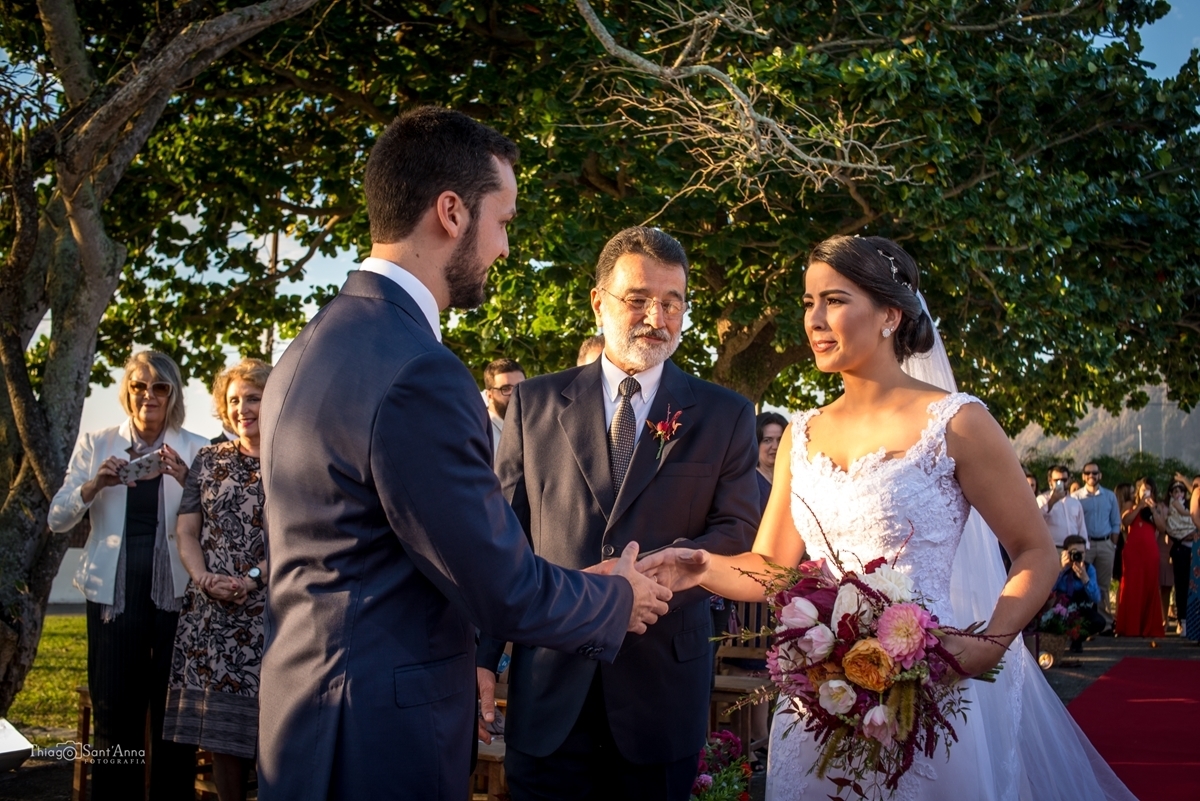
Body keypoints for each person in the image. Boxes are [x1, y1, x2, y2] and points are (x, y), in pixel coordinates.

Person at [256, 106, 671, 801]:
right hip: (378, 739)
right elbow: (498, 587)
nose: (504, 247)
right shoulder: (421, 370)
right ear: (451, 212)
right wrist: (615, 596)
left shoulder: (313, 344)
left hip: (303, 718)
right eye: (502, 221)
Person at [640, 235, 1135, 799]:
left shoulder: (957, 423)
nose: (815, 319)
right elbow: (773, 566)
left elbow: (1035, 549)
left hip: (927, 685)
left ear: (890, 316)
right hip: (821, 694)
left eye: (834, 300)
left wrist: (991, 642)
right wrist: (702, 566)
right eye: (808, 302)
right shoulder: (801, 434)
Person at [476, 226, 761, 801]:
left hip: (661, 691)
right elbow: (501, 537)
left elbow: (737, 530)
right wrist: (481, 659)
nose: (657, 317)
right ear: (598, 302)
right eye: (638, 299)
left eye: (673, 302)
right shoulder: (535, 403)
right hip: (550, 682)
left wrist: (662, 576)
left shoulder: (725, 415)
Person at [48, 350, 209, 800]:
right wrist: (94, 484)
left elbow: (216, 525)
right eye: (139, 386)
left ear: (173, 394)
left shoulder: (197, 448)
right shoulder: (97, 443)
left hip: (177, 594)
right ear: (127, 391)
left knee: (173, 716)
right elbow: (57, 519)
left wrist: (189, 481)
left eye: (160, 387)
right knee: (115, 713)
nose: (148, 395)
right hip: (112, 596)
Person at [164, 359, 271, 801]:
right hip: (211, 616)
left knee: (275, 731)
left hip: (272, 614)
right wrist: (204, 577)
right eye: (234, 400)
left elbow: (298, 539)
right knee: (222, 737)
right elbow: (186, 531)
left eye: (253, 398)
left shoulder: (293, 460)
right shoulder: (207, 460)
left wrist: (251, 580)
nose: (242, 408)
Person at [1115, 477, 1167, 637]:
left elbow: (1162, 527)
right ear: (1138, 491)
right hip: (1133, 552)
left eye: (1149, 490)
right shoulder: (1130, 506)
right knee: (1132, 586)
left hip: (1150, 551)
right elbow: (1125, 521)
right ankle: (1130, 627)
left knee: (1150, 585)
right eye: (1143, 490)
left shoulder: (1157, 507)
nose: (1146, 493)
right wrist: (1139, 507)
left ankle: (1148, 626)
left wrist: (1153, 510)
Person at [1072, 462, 1121, 630]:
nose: (1091, 476)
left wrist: (1113, 543)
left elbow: (1116, 522)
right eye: (1088, 473)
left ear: (1100, 475)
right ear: (1083, 476)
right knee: (1082, 583)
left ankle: (1105, 623)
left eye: (1094, 473)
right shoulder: (1076, 497)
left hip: (1106, 544)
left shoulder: (1110, 496)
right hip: (1085, 545)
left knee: (1103, 585)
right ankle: (1084, 624)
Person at [1053, 535, 1107, 651]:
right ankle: (1057, 642)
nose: (1077, 556)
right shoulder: (1057, 567)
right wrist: (1061, 570)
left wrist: (1085, 578)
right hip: (1061, 608)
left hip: (1081, 609)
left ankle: (1077, 639)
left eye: (1081, 553)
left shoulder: (1089, 569)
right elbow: (1049, 591)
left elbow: (1096, 598)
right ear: (1065, 553)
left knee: (1099, 622)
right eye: (1074, 552)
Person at [1165, 480, 1197, 634]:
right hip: (1180, 550)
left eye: (1181, 491)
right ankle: (1182, 620)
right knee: (1181, 586)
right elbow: (1171, 529)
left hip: (1195, 550)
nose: (1178, 494)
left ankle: (1194, 620)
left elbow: (1194, 521)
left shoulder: (1192, 506)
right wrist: (1185, 535)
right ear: (1171, 494)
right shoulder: (1170, 510)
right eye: (1175, 491)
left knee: (1194, 586)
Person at [483, 357, 525, 466]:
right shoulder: (481, 432)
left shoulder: (532, 426)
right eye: (505, 389)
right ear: (489, 395)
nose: (515, 394)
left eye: (520, 387)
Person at [1037, 465, 1087, 550]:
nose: (1060, 483)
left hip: (1073, 548)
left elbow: (1081, 527)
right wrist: (1053, 500)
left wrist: (1085, 546)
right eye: (1056, 480)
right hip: (1053, 548)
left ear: (1069, 480)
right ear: (1050, 482)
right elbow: (1037, 518)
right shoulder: (1042, 499)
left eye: (1064, 480)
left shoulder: (1075, 502)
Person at [755, 411, 787, 514]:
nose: (775, 446)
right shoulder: (748, 483)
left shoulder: (793, 479)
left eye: (780, 440)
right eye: (767, 440)